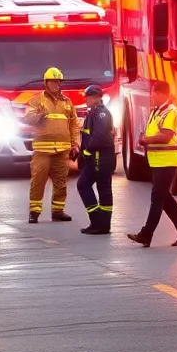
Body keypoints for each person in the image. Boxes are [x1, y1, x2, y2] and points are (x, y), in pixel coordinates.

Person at [126, 80, 177, 247]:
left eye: (154, 93)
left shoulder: (171, 112)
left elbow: (166, 136)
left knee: (157, 197)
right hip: (157, 161)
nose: (151, 96)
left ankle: (146, 234)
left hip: (168, 161)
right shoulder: (156, 111)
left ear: (164, 94)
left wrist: (145, 140)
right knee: (164, 198)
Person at [23, 67, 79, 223]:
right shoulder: (37, 100)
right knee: (38, 181)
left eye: (59, 82)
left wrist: (75, 143)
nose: (57, 85)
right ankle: (34, 212)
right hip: (42, 150)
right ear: (46, 83)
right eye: (54, 82)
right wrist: (40, 114)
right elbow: (28, 119)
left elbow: (73, 124)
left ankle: (58, 211)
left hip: (62, 150)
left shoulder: (67, 102)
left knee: (61, 182)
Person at [77, 84, 116, 235]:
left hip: (98, 159)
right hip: (105, 159)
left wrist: (86, 152)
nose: (86, 100)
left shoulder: (98, 113)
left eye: (87, 97)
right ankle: (104, 224)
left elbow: (98, 137)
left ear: (93, 98)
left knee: (83, 184)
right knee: (104, 189)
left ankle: (96, 221)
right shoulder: (101, 112)